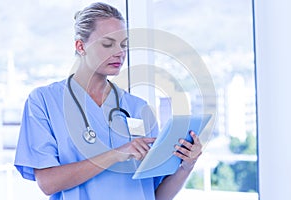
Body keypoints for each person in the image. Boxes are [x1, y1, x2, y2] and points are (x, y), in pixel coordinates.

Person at [14, 2, 202, 200]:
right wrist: (116, 154)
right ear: (80, 46)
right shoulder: (44, 101)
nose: (119, 52)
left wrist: (186, 165)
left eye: (123, 45)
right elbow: (48, 183)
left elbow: (157, 195)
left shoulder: (138, 108)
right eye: (107, 44)